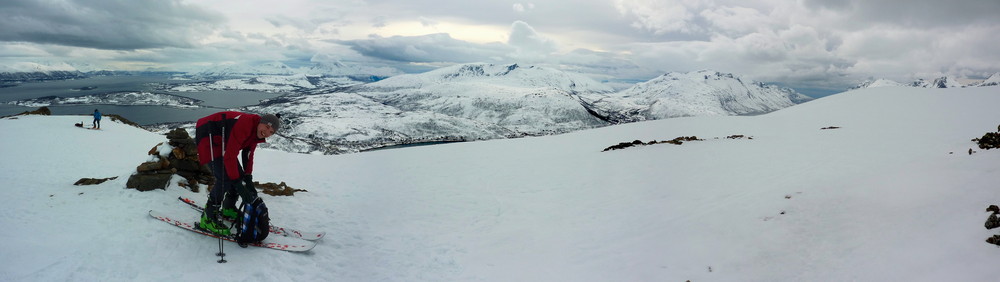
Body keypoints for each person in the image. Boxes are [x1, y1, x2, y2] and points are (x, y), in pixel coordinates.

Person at [194, 111, 281, 236]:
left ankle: (228, 208)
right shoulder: (245, 125)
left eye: (271, 132)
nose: (267, 133)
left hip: (223, 141)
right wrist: (238, 183)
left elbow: (248, 155)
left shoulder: (255, 132)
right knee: (225, 178)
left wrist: (248, 177)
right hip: (208, 136)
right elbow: (230, 156)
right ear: (261, 122)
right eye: (267, 127)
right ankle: (207, 218)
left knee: (237, 175)